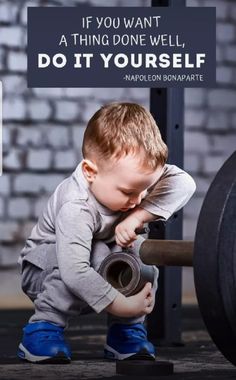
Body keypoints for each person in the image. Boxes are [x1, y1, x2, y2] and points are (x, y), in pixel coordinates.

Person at [17, 102, 196, 363]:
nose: (138, 198)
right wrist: (122, 306)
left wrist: (138, 216)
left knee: (141, 261)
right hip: (46, 269)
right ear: (90, 172)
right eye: (127, 192)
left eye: (145, 190)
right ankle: (43, 328)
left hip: (99, 259)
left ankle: (125, 333)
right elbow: (74, 270)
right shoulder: (76, 205)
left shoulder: (131, 179)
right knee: (91, 255)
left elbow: (185, 183)